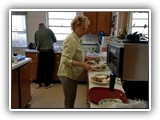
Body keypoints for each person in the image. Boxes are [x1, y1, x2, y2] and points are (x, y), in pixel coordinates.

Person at [57, 15, 91, 108]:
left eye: (85, 29)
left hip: (72, 74)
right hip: (67, 75)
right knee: (69, 102)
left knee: (71, 99)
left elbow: (76, 54)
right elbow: (65, 60)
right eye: (82, 29)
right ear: (76, 27)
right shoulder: (71, 40)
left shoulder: (77, 39)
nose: (84, 31)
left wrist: (86, 59)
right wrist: (82, 64)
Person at [35, 23, 57, 89]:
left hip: (41, 53)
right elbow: (55, 40)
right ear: (44, 26)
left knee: (40, 68)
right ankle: (47, 84)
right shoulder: (49, 30)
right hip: (49, 52)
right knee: (49, 68)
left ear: (39, 27)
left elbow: (36, 43)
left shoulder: (36, 32)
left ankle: (38, 83)